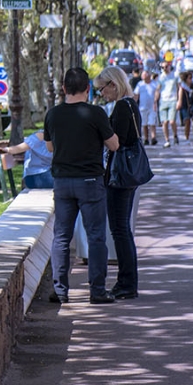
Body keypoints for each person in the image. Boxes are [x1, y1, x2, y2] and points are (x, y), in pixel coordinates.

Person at [44, 66, 119, 305]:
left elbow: (49, 147)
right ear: (88, 89)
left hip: (63, 182)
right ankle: (97, 290)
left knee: (62, 237)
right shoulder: (96, 114)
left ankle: (61, 290)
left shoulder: (53, 114)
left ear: (64, 89)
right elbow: (114, 144)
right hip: (90, 182)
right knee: (96, 236)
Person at [93, 65, 144, 299]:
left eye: (103, 89)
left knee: (120, 229)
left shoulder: (123, 106)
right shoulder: (130, 104)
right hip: (126, 173)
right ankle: (127, 281)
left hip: (120, 174)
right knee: (122, 229)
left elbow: (116, 141)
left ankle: (127, 282)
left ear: (113, 85)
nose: (102, 94)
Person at [157, 61, 179, 147]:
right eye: (162, 67)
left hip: (173, 99)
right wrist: (155, 101)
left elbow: (179, 88)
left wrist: (179, 100)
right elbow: (158, 89)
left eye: (166, 67)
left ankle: (175, 135)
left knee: (172, 121)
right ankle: (167, 140)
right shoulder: (160, 77)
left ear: (169, 67)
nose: (164, 69)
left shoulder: (174, 76)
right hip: (163, 100)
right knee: (165, 122)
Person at [134, 70, 159, 146]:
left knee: (152, 123)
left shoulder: (154, 84)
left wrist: (155, 101)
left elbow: (157, 93)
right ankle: (146, 138)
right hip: (142, 106)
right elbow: (136, 95)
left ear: (149, 75)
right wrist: (134, 104)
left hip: (152, 106)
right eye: (143, 75)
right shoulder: (140, 84)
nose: (143, 76)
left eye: (145, 75)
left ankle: (153, 137)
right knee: (144, 123)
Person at [177, 71, 193, 142]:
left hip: (192, 105)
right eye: (189, 78)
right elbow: (180, 97)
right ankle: (186, 136)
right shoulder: (183, 87)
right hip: (185, 106)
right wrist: (179, 103)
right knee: (187, 121)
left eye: (191, 78)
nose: (191, 80)